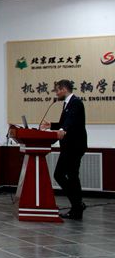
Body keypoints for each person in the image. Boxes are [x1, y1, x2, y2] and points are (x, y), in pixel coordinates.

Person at [40, 79, 88, 220]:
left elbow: (71, 121)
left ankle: (77, 207)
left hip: (74, 146)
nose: (56, 93)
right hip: (68, 146)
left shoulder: (75, 102)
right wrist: (52, 126)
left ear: (64, 89)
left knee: (65, 175)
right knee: (69, 176)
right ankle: (77, 205)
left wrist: (63, 129)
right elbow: (65, 122)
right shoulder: (67, 103)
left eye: (57, 90)